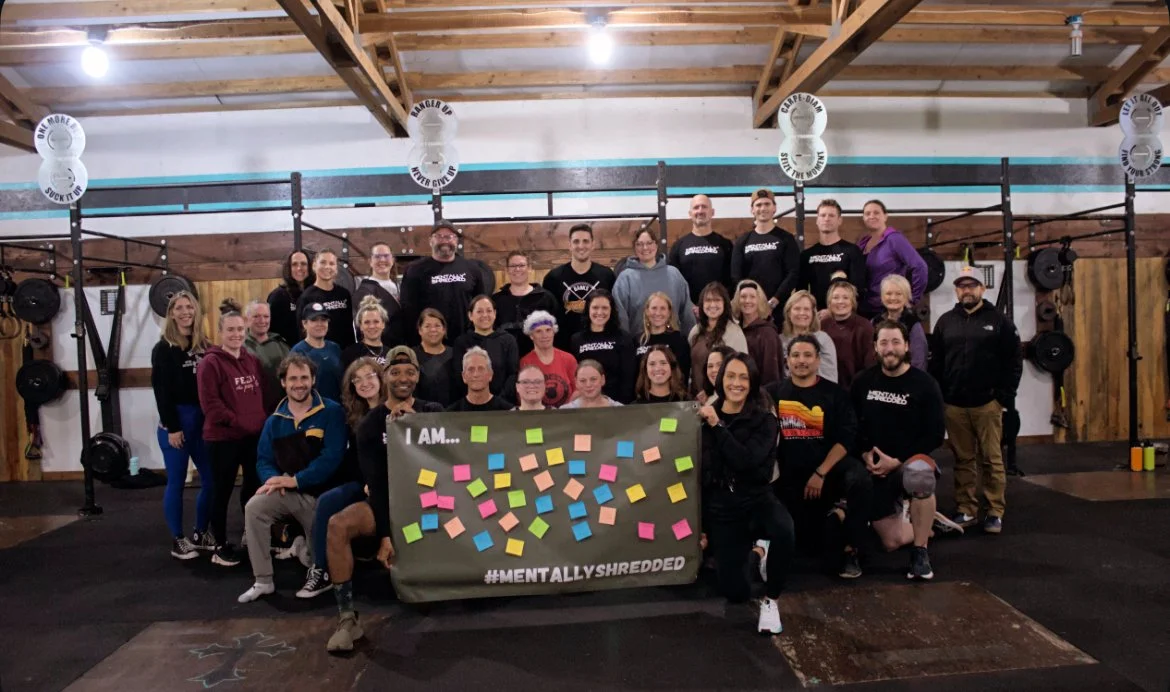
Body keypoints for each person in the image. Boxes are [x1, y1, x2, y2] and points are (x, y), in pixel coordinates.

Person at [327, 349, 444, 653]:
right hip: (388, 502)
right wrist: (385, 535)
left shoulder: (433, 410)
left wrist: (418, 426)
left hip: (430, 502)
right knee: (337, 525)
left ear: (417, 376)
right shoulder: (370, 424)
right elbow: (376, 484)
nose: (403, 378)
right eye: (395, 372)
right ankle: (347, 619)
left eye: (410, 372)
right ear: (385, 376)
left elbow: (450, 462)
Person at [237, 354, 348, 603]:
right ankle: (263, 580)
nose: (299, 384)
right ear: (283, 382)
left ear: (313, 380)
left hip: (321, 497)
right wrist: (273, 481)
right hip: (287, 491)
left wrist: (296, 480)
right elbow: (263, 460)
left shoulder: (331, 411)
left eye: (304, 378)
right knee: (254, 507)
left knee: (318, 559)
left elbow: (332, 458)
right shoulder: (274, 421)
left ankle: (304, 551)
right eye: (293, 379)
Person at [698, 352, 795, 634]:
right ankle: (758, 553)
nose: (736, 383)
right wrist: (701, 523)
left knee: (784, 529)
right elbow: (700, 472)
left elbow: (746, 462)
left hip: (756, 499)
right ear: (720, 379)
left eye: (743, 377)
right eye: (730, 376)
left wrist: (717, 426)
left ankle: (771, 601)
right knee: (735, 592)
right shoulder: (703, 416)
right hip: (723, 508)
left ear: (752, 382)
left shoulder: (765, 419)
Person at [852, 320, 954, 580]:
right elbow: (852, 426)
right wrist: (864, 454)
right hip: (872, 468)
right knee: (891, 542)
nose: (890, 348)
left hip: (907, 462)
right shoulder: (862, 382)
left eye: (896, 342)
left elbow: (934, 435)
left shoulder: (925, 384)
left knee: (920, 474)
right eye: (884, 342)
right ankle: (929, 523)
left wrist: (898, 460)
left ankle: (920, 553)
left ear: (907, 346)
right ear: (875, 347)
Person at [767, 336, 872, 579]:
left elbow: (846, 439)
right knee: (808, 546)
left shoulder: (835, 394)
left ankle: (851, 550)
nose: (801, 361)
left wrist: (821, 472)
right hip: (789, 478)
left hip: (826, 471)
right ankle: (832, 520)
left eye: (807, 355)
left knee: (860, 480)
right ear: (787, 361)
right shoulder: (772, 393)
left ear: (817, 360)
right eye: (795, 355)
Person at [930, 267, 1022, 535]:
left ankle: (994, 511)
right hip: (954, 404)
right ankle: (967, 509)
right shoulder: (945, 322)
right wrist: (941, 397)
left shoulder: (999, 321)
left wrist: (1002, 398)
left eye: (972, 286)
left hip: (987, 404)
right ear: (957, 290)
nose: (967, 290)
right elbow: (936, 362)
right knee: (963, 459)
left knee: (992, 459)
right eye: (962, 286)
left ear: (982, 289)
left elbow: (1014, 362)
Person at [295, 356, 385, 601]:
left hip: (387, 483)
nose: (364, 383)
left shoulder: (393, 410)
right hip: (360, 482)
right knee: (327, 500)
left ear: (380, 378)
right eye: (357, 380)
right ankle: (321, 569)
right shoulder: (353, 416)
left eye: (370, 376)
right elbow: (351, 460)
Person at [197, 299, 269, 567]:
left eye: (240, 329)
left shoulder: (251, 360)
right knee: (221, 491)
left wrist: (259, 423)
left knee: (252, 488)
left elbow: (259, 396)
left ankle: (250, 534)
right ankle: (219, 544)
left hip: (251, 437)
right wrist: (238, 422)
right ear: (220, 332)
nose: (236, 334)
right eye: (230, 330)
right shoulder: (210, 363)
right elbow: (211, 405)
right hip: (223, 439)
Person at [151, 290, 213, 559]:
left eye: (189, 307)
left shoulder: (204, 345)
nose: (186, 312)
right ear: (171, 314)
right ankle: (178, 539)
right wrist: (173, 427)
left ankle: (200, 532)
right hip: (177, 423)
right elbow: (161, 391)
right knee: (176, 482)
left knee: (211, 480)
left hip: (202, 423)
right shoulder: (163, 349)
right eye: (179, 308)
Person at [399, 221, 487, 344]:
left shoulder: (472, 269)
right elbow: (408, 311)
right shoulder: (415, 270)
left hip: (466, 342)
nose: (444, 241)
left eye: (449, 237)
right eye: (439, 236)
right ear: (431, 241)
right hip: (429, 343)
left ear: (456, 240)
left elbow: (480, 305)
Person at [613, 227, 696, 342]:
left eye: (649, 243)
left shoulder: (674, 275)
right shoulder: (625, 278)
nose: (645, 248)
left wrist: (690, 340)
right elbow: (620, 317)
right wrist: (625, 344)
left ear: (656, 245)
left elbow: (687, 313)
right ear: (635, 248)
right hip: (639, 344)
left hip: (672, 343)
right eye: (639, 244)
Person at [542, 223, 616, 350]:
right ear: (569, 245)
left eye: (585, 241)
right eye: (576, 241)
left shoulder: (607, 275)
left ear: (593, 245)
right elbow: (547, 317)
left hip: (599, 345)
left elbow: (613, 313)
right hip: (563, 347)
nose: (581, 246)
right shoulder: (553, 278)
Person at [731, 188, 801, 313]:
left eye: (767, 204)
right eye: (758, 205)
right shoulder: (742, 241)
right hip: (750, 308)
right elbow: (736, 276)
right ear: (752, 210)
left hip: (779, 309)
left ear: (774, 208)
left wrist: (776, 299)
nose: (763, 208)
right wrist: (749, 300)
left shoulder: (786, 239)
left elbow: (793, 273)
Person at [856, 200, 928, 318]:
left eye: (876, 213)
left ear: (885, 216)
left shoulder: (894, 239)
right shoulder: (862, 243)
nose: (872, 216)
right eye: (867, 213)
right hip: (865, 309)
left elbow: (920, 266)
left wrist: (912, 299)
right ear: (863, 218)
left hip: (888, 309)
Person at [569, 290, 636, 404]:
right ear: (588, 309)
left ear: (611, 310)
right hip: (585, 403)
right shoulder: (576, 340)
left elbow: (628, 377)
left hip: (615, 403)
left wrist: (621, 406)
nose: (600, 312)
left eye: (605, 308)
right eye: (595, 308)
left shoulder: (623, 338)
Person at [797, 199, 866, 309]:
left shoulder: (852, 251)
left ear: (839, 220)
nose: (826, 219)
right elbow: (801, 292)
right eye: (823, 215)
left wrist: (832, 310)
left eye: (831, 215)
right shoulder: (806, 255)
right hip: (816, 315)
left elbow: (858, 289)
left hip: (843, 313)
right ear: (817, 220)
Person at [668, 194, 732, 307]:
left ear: (712, 212)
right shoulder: (678, 246)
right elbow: (673, 282)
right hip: (687, 310)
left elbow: (731, 280)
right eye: (696, 207)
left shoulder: (725, 244)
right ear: (690, 214)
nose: (700, 211)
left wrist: (721, 303)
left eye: (704, 207)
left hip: (717, 308)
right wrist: (689, 306)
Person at [452, 295, 519, 401]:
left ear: (495, 313)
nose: (485, 315)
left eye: (489, 311)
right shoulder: (461, 342)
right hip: (471, 403)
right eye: (479, 311)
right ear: (470, 315)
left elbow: (512, 375)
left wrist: (497, 401)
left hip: (503, 404)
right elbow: (459, 376)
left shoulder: (508, 340)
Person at [494, 250, 558, 356]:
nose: (517, 269)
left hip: (538, 359)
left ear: (529, 268)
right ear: (506, 270)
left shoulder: (546, 298)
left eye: (521, 265)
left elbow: (557, 332)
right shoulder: (496, 300)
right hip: (504, 359)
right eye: (513, 266)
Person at [689, 282, 749, 396]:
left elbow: (741, 368)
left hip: (722, 397)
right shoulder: (695, 331)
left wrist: (712, 394)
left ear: (725, 303)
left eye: (717, 300)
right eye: (708, 300)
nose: (712, 304)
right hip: (696, 397)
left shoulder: (734, 332)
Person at [821, 281, 875, 390]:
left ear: (852, 302)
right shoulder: (823, 324)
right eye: (835, 297)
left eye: (845, 297)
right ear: (829, 302)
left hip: (856, 388)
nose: (840, 301)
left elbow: (870, 365)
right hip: (826, 387)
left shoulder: (865, 326)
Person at [297, 249, 355, 350]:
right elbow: (301, 332)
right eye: (323, 262)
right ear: (314, 266)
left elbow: (349, 329)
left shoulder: (344, 294)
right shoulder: (306, 297)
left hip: (345, 352)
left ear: (336, 268)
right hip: (318, 353)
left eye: (331, 263)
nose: (327, 266)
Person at [518, 310, 578, 408]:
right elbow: (523, 395)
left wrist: (567, 410)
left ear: (553, 332)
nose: (544, 335)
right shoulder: (525, 362)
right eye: (538, 331)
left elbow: (578, 389)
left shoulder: (568, 359)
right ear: (531, 335)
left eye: (548, 330)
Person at [351, 242, 405, 347]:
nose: (382, 260)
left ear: (392, 260)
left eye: (386, 256)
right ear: (370, 261)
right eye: (377, 256)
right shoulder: (364, 292)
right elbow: (361, 330)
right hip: (380, 350)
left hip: (400, 348)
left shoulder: (399, 286)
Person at [872, 274, 928, 371]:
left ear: (906, 297)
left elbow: (919, 359)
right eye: (888, 293)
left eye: (898, 294)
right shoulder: (874, 322)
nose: (893, 298)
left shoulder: (913, 324)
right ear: (882, 297)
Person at [780, 290, 838, 383]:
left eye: (806, 309)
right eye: (797, 309)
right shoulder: (779, 340)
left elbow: (830, 378)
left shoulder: (823, 339)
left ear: (813, 314)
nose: (802, 313)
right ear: (789, 313)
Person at [635, 292, 692, 386]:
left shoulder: (679, 340)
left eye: (663, 308)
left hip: (673, 393)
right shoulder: (637, 340)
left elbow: (683, 373)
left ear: (669, 313)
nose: (658, 313)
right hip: (642, 393)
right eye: (654, 308)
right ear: (647, 311)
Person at [733, 279, 782, 387]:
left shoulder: (768, 333)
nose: (747, 301)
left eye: (752, 297)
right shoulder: (734, 330)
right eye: (743, 296)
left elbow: (771, 374)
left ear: (759, 300)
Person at [291, 302, 344, 402]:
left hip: (338, 408)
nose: (319, 324)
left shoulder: (334, 348)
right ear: (304, 323)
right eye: (314, 320)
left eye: (323, 320)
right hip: (313, 408)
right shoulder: (298, 352)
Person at [244, 300, 290, 412]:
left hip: (281, 409)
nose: (262, 321)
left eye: (266, 316)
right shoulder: (240, 347)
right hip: (251, 409)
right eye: (256, 316)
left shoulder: (281, 345)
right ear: (247, 320)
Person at [267, 249, 314, 347]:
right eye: (294, 264)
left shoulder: (315, 293)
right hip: (287, 351)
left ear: (310, 267)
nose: (299, 268)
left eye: (303, 264)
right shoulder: (278, 296)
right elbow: (270, 331)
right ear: (288, 268)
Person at [446, 347, 514, 412]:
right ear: (464, 376)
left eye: (481, 369)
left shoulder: (508, 412)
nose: (476, 374)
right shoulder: (451, 413)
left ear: (490, 374)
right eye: (471, 369)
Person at [413, 308, 456, 407]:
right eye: (427, 326)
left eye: (437, 325)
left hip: (452, 412)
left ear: (444, 329)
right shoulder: (412, 355)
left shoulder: (454, 354)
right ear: (420, 330)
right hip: (422, 412)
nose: (433, 330)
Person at [341, 295, 390, 369]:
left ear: (383, 324)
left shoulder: (391, 353)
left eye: (376, 321)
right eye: (367, 322)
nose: (372, 326)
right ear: (360, 326)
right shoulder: (350, 354)